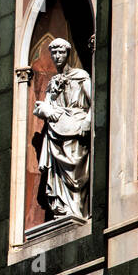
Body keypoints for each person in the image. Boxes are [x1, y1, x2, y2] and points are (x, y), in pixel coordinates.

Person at [33, 37, 91, 222]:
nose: (58, 56)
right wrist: (44, 109)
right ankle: (63, 209)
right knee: (57, 177)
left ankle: (77, 209)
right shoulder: (52, 82)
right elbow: (46, 106)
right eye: (54, 53)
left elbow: (93, 101)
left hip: (75, 130)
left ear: (68, 53)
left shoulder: (81, 76)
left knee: (76, 174)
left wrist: (87, 122)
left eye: (61, 52)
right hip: (57, 134)